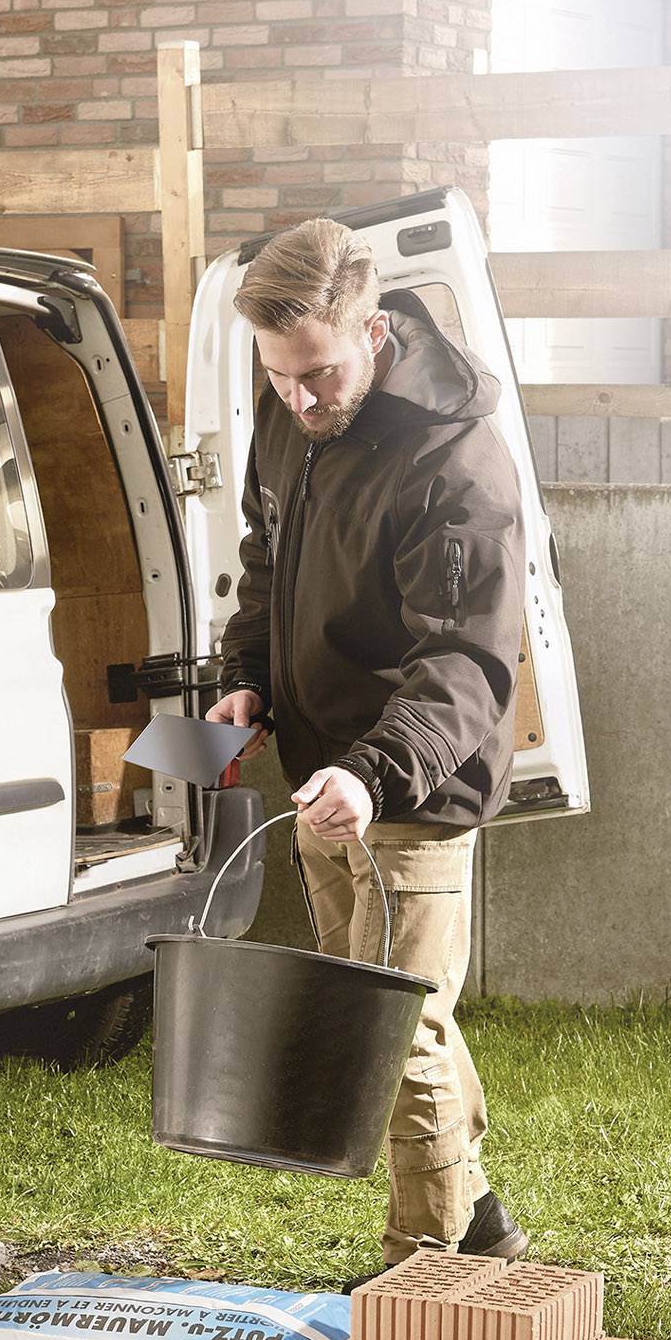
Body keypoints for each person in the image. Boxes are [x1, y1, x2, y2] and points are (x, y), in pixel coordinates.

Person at [205, 215, 529, 1275]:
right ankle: (478, 1223)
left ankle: (425, 1271)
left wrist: (374, 770)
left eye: (319, 375)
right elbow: (268, 555)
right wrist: (245, 678)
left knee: (394, 1036)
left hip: (411, 792)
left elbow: (470, 663)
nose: (300, 400)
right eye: (280, 375)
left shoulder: (454, 456)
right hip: (321, 781)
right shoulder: (290, 411)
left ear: (374, 328)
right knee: (386, 1018)